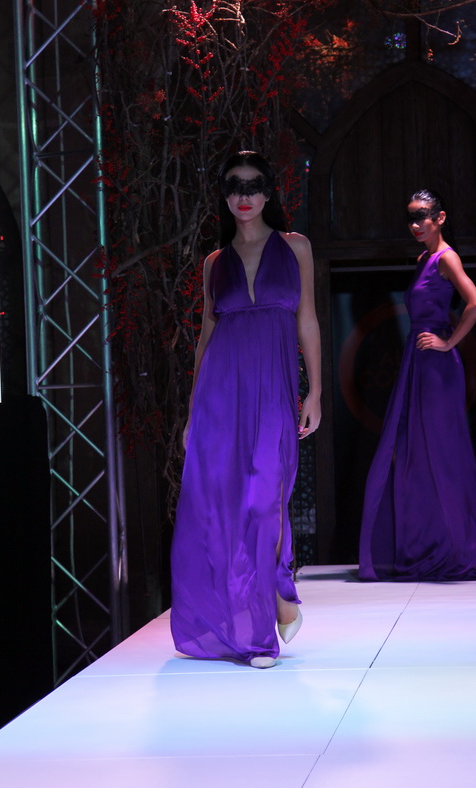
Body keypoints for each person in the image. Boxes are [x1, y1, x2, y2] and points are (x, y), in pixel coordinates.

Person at [170, 150, 321, 668]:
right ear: (225, 194)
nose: (244, 196)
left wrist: (315, 392)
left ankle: (277, 593)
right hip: (220, 394)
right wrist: (193, 412)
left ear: (268, 192)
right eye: (234, 186)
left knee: (264, 502)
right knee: (226, 507)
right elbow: (204, 339)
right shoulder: (215, 264)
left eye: (254, 185)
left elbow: (307, 321)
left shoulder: (295, 247)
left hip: (274, 392)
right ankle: (260, 629)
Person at [359, 188, 476, 581]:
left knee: (441, 452)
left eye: (422, 216)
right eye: (411, 218)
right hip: (418, 362)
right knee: (415, 453)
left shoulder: (446, 258)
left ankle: (455, 549)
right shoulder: (423, 259)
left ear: (440, 218)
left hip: (436, 367)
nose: (415, 224)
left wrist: (448, 342)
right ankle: (427, 545)